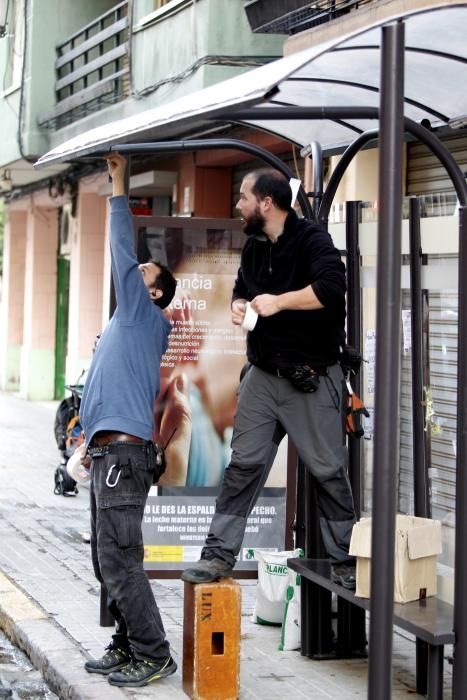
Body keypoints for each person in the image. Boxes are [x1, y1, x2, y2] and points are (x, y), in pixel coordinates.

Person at [181, 168, 357, 590]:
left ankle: (347, 559)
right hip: (262, 375)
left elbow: (332, 288)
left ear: (266, 203)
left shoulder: (313, 241)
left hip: (312, 379)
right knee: (242, 467)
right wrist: (239, 307)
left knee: (328, 471)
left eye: (243, 197)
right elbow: (242, 290)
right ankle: (218, 555)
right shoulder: (255, 248)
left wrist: (279, 302)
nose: (237, 205)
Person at [79, 153, 178, 688]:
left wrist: (119, 183)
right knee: (106, 561)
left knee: (121, 560)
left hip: (123, 456)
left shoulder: (143, 312)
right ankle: (126, 642)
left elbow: (121, 248)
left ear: (155, 291)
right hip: (106, 453)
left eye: (145, 274)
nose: (134, 274)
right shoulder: (124, 321)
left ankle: (154, 652)